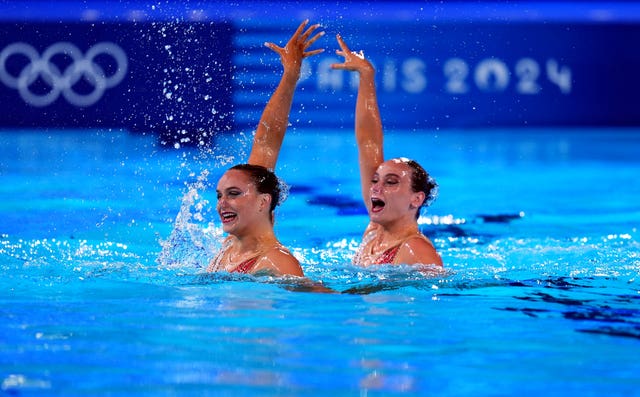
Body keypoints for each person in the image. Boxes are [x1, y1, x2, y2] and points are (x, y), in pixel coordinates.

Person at [206, 20, 324, 277]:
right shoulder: (232, 248)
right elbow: (265, 142)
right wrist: (290, 74)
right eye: (219, 195)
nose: (221, 204)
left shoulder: (278, 264)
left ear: (263, 202)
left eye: (233, 193)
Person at [331, 34, 443, 268]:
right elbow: (368, 143)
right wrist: (366, 76)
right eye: (375, 180)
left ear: (416, 199)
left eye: (391, 182)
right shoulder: (374, 232)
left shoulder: (416, 251)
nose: (376, 188)